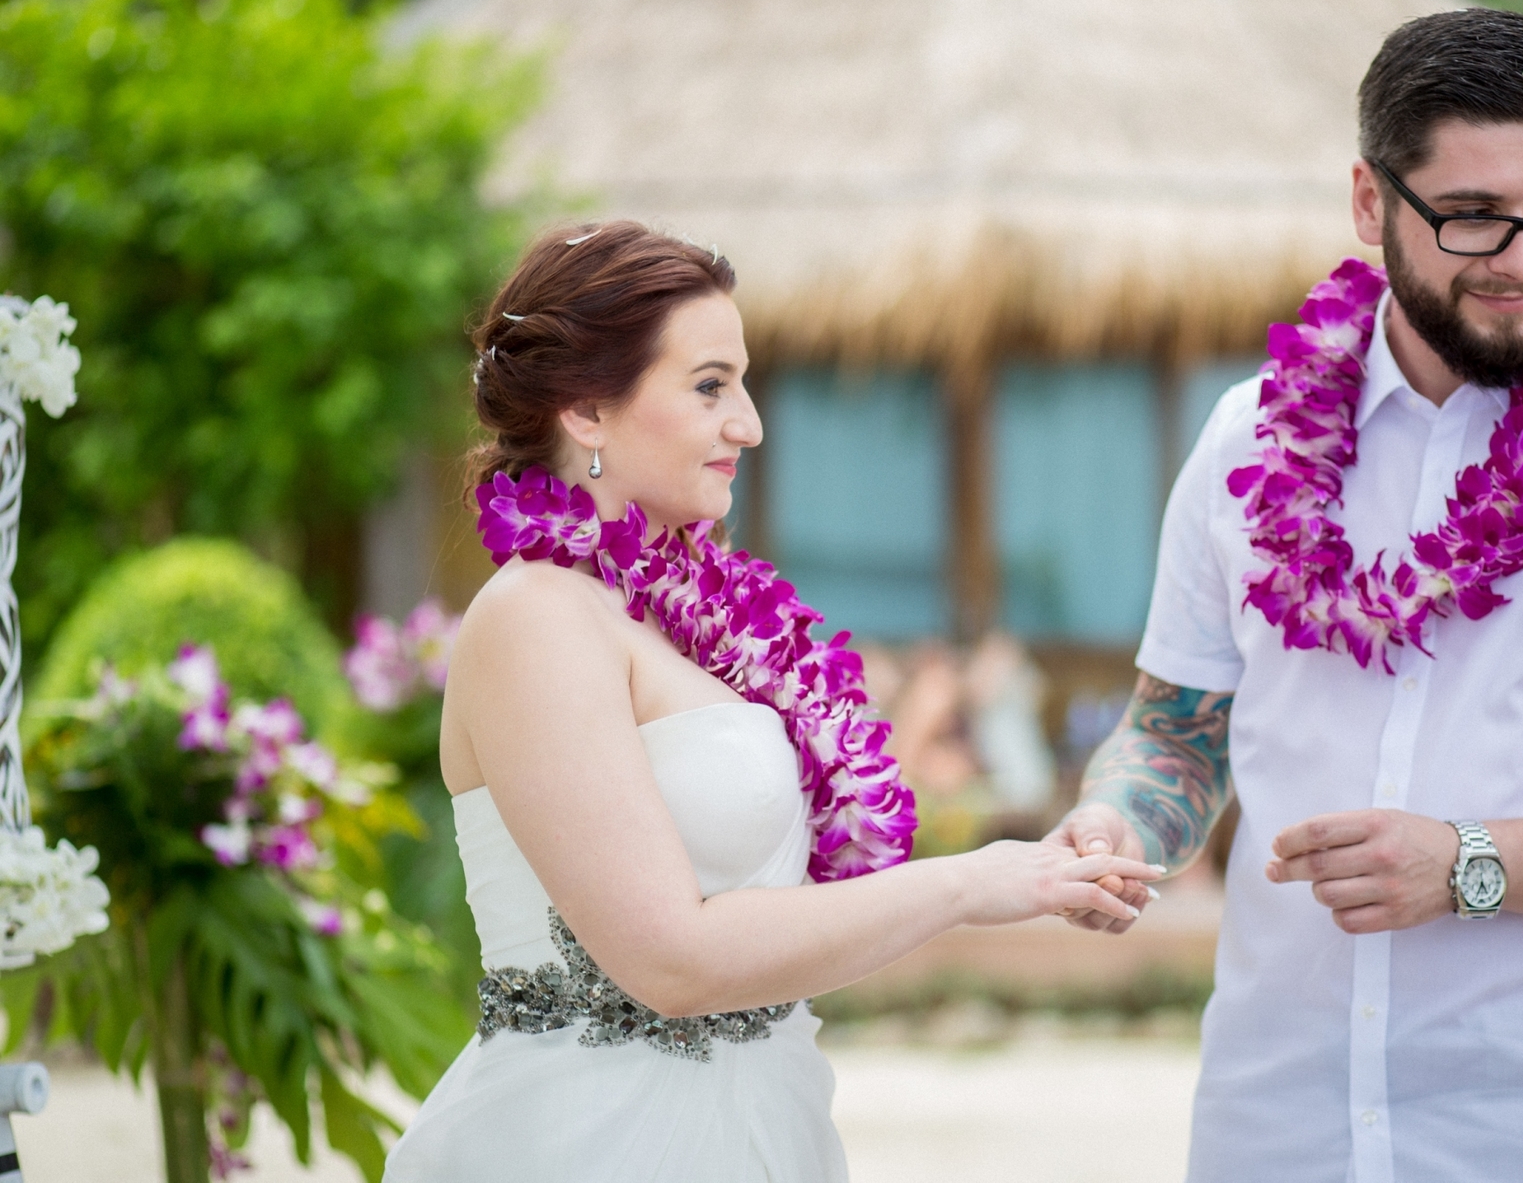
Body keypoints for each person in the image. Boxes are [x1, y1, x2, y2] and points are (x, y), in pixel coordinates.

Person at [1048, 8, 1523, 1183]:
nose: (1522, 259)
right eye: (1472, 218)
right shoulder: (1245, 436)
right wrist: (1122, 823)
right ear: (1369, 204)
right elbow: (1174, 725)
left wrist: (1465, 864)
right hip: (1271, 1122)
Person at [384, 222, 1159, 1183]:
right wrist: (969, 884)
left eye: (742, 384)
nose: (749, 422)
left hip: (761, 1124)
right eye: (710, 386)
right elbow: (670, 960)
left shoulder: (681, 619)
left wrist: (1029, 869)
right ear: (587, 409)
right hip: (597, 1141)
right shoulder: (535, 618)